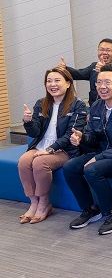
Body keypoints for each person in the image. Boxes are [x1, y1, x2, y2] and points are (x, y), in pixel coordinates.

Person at [63, 65, 112, 234]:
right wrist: (81, 138)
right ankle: (91, 209)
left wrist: (100, 157)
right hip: (102, 153)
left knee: (92, 170)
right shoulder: (96, 107)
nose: (102, 87)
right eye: (99, 83)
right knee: (70, 167)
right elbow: (92, 138)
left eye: (108, 82)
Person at [19, 68, 87, 224]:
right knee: (23, 161)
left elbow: (71, 135)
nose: (52, 84)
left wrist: (48, 150)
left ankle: (44, 203)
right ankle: (33, 202)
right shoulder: (41, 103)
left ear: (68, 83)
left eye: (57, 80)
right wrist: (28, 122)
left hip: (65, 149)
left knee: (39, 162)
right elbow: (35, 133)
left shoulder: (78, 105)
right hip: (41, 145)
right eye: (49, 81)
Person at [59, 39, 112, 105]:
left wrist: (104, 70)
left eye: (108, 50)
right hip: (94, 107)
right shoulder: (94, 66)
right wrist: (64, 69)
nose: (104, 53)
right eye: (101, 50)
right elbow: (79, 74)